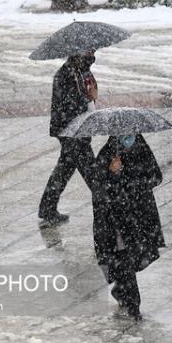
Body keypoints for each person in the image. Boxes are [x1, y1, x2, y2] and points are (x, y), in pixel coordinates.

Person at [92, 134, 165, 321]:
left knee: (131, 260)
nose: (128, 139)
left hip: (138, 217)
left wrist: (132, 179)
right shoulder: (107, 155)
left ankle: (122, 291)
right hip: (116, 220)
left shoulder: (142, 150)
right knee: (124, 260)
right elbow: (99, 188)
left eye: (131, 136)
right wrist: (113, 174)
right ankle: (134, 306)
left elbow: (156, 176)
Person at [38, 51, 98, 224]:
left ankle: (47, 208)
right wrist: (86, 99)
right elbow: (68, 104)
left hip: (81, 127)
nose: (92, 53)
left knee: (65, 168)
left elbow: (90, 94)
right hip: (70, 130)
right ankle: (109, 206)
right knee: (92, 171)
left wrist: (92, 96)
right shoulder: (64, 75)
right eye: (88, 51)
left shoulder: (83, 71)